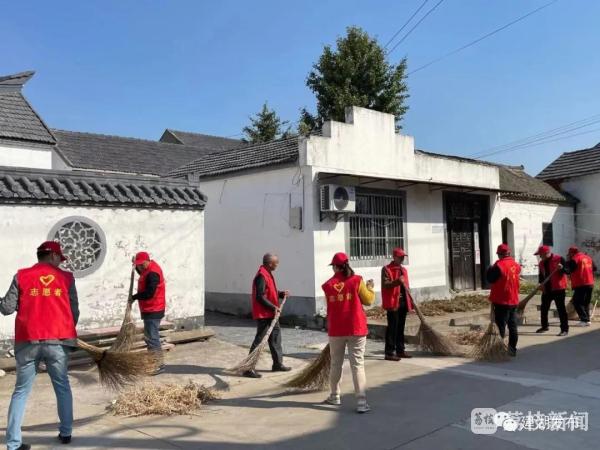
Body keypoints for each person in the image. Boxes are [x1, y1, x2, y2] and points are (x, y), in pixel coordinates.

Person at [0, 241, 79, 450]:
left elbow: (6, 308)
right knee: (62, 386)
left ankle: (13, 444)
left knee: (20, 391)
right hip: (58, 340)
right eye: (59, 258)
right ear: (53, 256)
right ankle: (66, 433)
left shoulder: (21, 276)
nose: (60, 263)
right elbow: (74, 312)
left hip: (28, 340)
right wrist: (65, 330)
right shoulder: (67, 278)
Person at [322, 252, 375, 414]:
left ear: (335, 267)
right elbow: (369, 300)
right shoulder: (357, 280)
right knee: (357, 365)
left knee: (335, 364)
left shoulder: (327, 285)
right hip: (356, 328)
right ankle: (361, 401)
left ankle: (334, 395)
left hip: (336, 329)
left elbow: (330, 306)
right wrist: (370, 288)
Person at [245, 253, 291, 378]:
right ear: (270, 263)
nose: (277, 265)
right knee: (260, 341)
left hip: (271, 314)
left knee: (275, 338)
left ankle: (277, 364)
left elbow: (270, 291)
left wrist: (281, 294)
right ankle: (248, 368)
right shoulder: (261, 275)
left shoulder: (267, 273)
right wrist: (273, 307)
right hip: (264, 314)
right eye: (276, 262)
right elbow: (259, 296)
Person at [130, 251, 166, 375]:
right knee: (149, 337)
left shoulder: (153, 273)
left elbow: (149, 293)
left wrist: (134, 297)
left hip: (153, 309)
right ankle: (153, 361)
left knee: (152, 338)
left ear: (147, 261)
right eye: (138, 265)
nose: (139, 266)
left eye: (141, 264)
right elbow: (142, 274)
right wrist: (135, 267)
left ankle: (158, 365)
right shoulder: (147, 269)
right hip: (150, 309)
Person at [486, 244, 521, 356]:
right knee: (513, 326)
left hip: (502, 301)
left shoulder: (499, 266)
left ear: (499, 254)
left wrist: (489, 269)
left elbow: (490, 279)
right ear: (509, 253)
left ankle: (499, 350)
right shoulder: (516, 265)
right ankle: (512, 349)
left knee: (500, 327)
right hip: (514, 300)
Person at [381, 247, 414, 361]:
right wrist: (397, 282)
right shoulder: (386, 269)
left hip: (403, 302)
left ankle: (400, 350)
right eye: (400, 257)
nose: (402, 259)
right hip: (393, 303)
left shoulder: (403, 270)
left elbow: (407, 287)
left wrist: (410, 302)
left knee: (400, 328)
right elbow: (385, 284)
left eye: (403, 257)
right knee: (392, 328)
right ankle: (389, 352)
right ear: (394, 257)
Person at [534, 245, 569, 336]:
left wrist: (562, 268)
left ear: (546, 253)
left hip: (558, 288)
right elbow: (541, 276)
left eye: (540, 254)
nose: (540, 256)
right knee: (544, 308)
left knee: (561, 309)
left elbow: (568, 271)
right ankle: (544, 326)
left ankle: (564, 329)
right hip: (547, 289)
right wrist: (540, 284)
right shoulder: (541, 263)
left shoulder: (559, 259)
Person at [566, 246, 596, 327]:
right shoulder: (588, 258)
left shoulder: (575, 259)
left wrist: (565, 265)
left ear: (572, 253)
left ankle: (584, 320)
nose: (568, 255)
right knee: (586, 302)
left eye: (569, 254)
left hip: (581, 283)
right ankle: (587, 320)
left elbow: (568, 270)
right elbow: (595, 268)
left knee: (577, 302)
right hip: (590, 283)